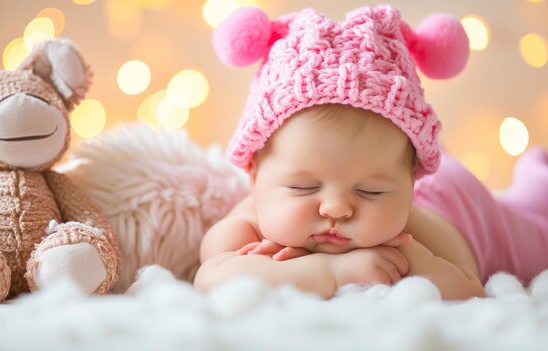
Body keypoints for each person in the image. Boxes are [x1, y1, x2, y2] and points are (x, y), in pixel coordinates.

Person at [194, 6, 548, 300]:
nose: (336, 208)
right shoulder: (250, 221)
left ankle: (536, 180)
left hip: (464, 204)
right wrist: (330, 271)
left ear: (410, 185)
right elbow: (212, 276)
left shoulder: (414, 231)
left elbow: (470, 291)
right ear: (255, 174)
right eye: (303, 187)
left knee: (538, 237)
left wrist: (414, 260)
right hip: (400, 172)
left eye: (370, 192)